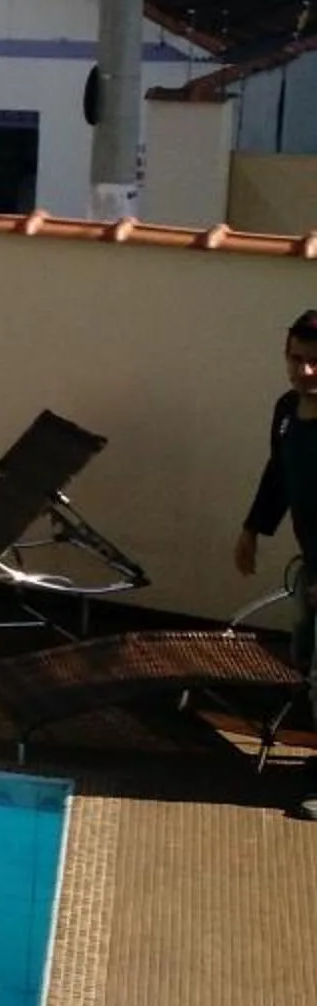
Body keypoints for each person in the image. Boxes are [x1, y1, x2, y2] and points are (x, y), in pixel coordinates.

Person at [236, 307, 317, 818]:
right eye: (296, 359)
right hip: (313, 564)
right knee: (307, 662)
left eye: (314, 362)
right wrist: (251, 530)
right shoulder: (288, 411)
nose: (304, 370)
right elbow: (277, 477)